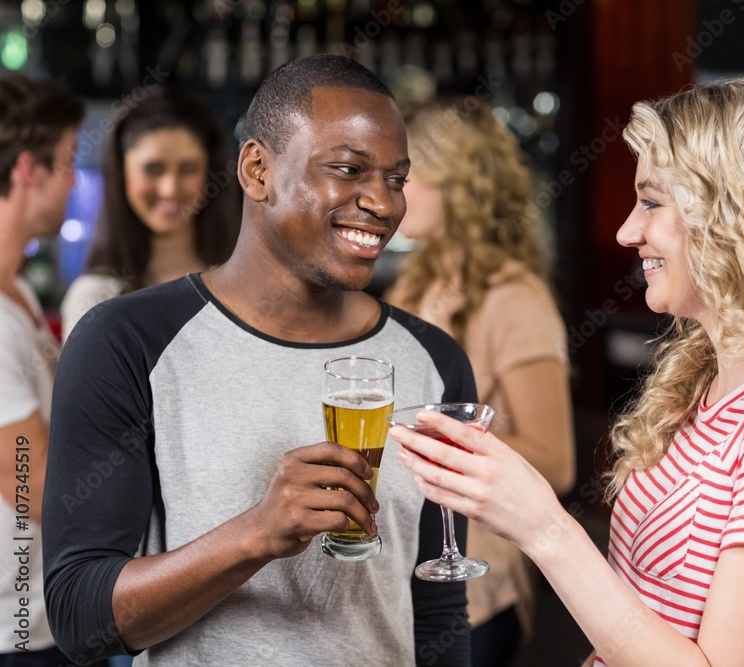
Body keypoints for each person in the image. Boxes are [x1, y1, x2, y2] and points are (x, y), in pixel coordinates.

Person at [390, 77, 744, 666]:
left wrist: (545, 529)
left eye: (651, 202)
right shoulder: (703, 387)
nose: (627, 231)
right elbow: (641, 627)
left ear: (737, 217)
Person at [42, 55, 475, 666]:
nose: (382, 203)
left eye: (397, 179)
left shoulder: (435, 361)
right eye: (349, 170)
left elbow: (437, 607)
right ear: (256, 170)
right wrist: (257, 534)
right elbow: (79, 617)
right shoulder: (125, 341)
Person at [384, 97, 575, 666]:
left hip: (476, 584)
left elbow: (559, 463)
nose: (389, 193)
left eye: (404, 175)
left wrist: (443, 435)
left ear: (456, 180)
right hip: (406, 574)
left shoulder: (514, 296)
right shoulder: (413, 284)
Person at [0, 74, 96, 666]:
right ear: (28, 170)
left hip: (41, 621)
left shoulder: (19, 293)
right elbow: (31, 484)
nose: (74, 180)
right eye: (66, 162)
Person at [60, 85, 240, 342]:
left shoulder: (244, 287)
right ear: (122, 174)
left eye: (188, 168)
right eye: (153, 169)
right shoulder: (94, 298)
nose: (169, 189)